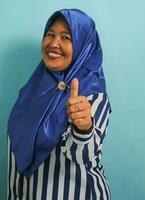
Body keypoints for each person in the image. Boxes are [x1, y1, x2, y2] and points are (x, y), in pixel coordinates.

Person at [7, 8, 112, 200]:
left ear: (83, 46)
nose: (54, 44)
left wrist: (84, 128)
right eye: (50, 34)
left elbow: (86, 158)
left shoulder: (92, 95)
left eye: (66, 37)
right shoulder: (31, 91)